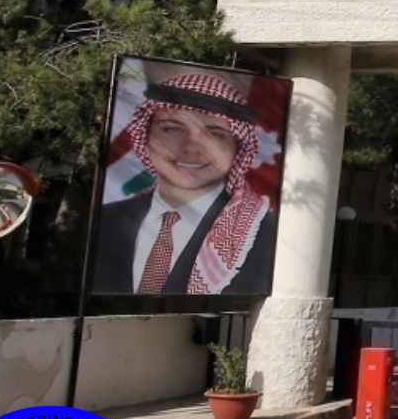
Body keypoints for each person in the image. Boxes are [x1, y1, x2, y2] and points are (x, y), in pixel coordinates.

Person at [92, 71, 277, 295]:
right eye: (172, 128)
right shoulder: (103, 220)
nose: (191, 148)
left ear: (237, 148)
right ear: (146, 135)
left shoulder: (266, 234)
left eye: (215, 133)